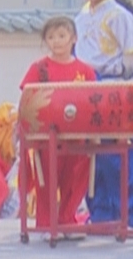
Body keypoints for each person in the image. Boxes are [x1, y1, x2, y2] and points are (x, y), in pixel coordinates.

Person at [19, 14, 96, 234]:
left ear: (74, 38)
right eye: (51, 37)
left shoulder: (85, 71)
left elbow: (92, 101)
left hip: (77, 136)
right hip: (46, 136)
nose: (57, 41)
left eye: (62, 35)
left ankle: (67, 219)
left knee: (76, 177)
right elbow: (27, 100)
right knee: (46, 179)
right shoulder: (39, 68)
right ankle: (46, 223)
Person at [74, 0, 133, 224]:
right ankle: (100, 211)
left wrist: (118, 78)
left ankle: (124, 212)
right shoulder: (81, 17)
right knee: (91, 152)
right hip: (83, 86)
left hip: (111, 86)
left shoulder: (120, 16)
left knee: (115, 151)